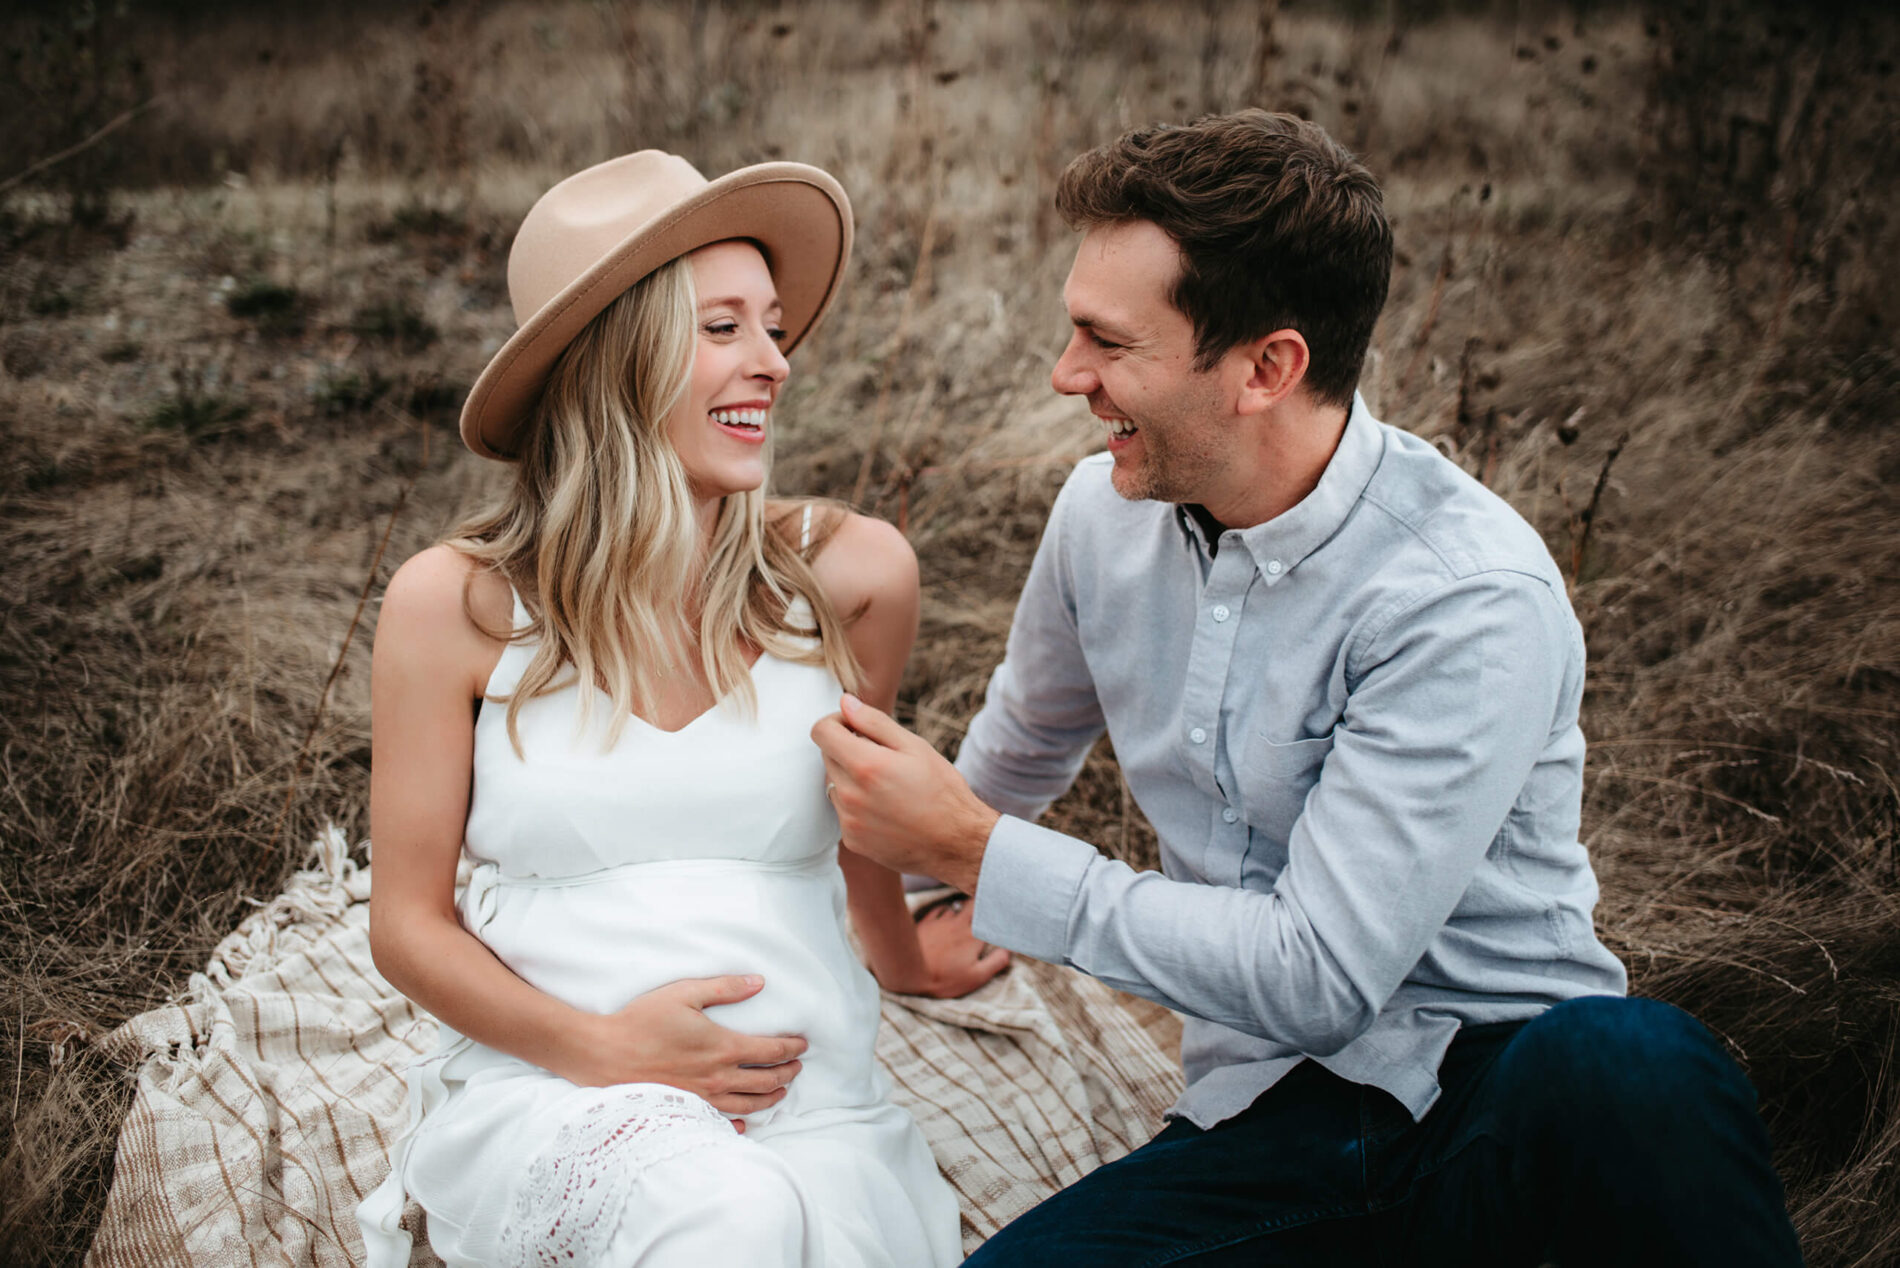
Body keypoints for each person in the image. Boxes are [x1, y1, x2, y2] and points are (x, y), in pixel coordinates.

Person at [812, 110, 1804, 1265]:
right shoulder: (1100, 516)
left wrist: (986, 855)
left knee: (1636, 1062)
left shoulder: (1463, 594)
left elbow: (1318, 972)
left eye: (1106, 341)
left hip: (1505, 1099)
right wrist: (894, 918)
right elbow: (1021, 749)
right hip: (1267, 1126)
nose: (1064, 373)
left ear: (1266, 368)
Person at [354, 151, 1003, 1268]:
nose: (776, 362)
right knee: (729, 1219)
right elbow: (405, 922)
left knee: (794, 1225)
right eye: (724, 329)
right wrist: (601, 1046)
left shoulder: (850, 577)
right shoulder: (455, 606)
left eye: (776, 327)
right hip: (561, 1091)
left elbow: (864, 834)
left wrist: (902, 958)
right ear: (619, 360)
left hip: (815, 1109)